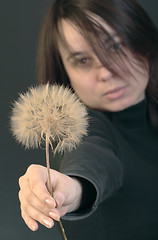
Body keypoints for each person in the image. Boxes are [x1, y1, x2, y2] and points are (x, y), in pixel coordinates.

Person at [18, 0, 158, 239]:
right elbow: (92, 157)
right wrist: (72, 187)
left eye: (115, 47)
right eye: (82, 60)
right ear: (65, 71)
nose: (105, 72)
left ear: (143, 42)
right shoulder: (87, 132)